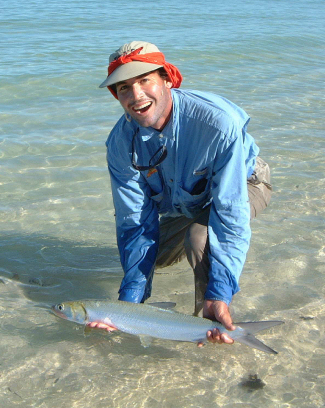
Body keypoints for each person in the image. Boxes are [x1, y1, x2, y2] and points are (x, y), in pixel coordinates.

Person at [93, 41, 271, 345]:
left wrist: (220, 291)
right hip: (187, 201)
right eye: (124, 88)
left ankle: (210, 317)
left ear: (166, 79)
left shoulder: (217, 124)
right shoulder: (121, 144)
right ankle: (180, 282)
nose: (136, 96)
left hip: (245, 183)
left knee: (200, 238)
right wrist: (128, 306)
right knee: (152, 258)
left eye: (144, 80)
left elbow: (230, 214)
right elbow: (134, 222)